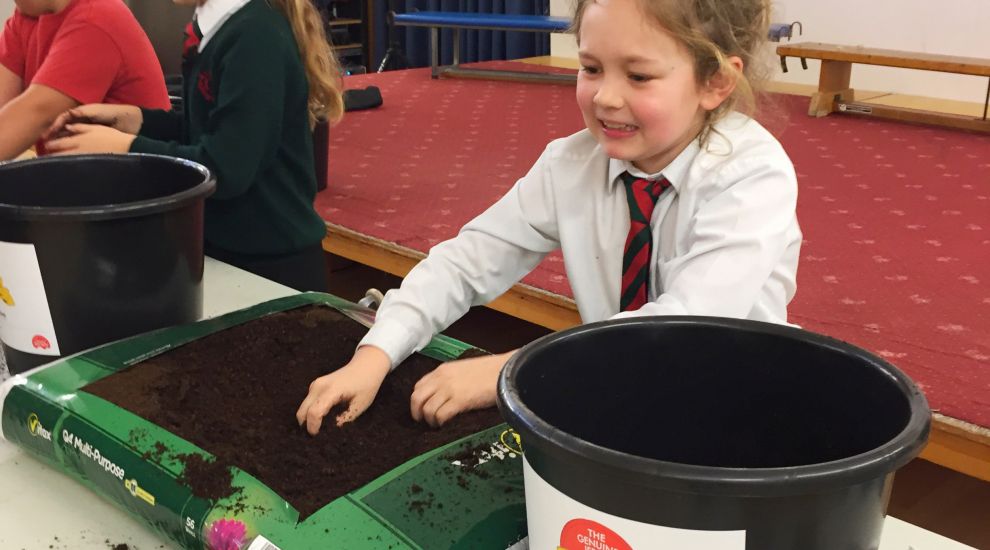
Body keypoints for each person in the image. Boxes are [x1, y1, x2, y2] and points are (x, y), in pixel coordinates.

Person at [296, 0, 801, 434]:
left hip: (727, 423)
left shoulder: (752, 176)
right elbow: (467, 261)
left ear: (715, 82)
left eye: (639, 75)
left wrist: (511, 370)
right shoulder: (571, 164)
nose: (605, 96)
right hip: (610, 391)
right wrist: (376, 353)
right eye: (591, 67)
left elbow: (682, 333)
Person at [44, 0, 344, 292]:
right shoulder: (216, 27)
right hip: (231, 256)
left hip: (274, 270)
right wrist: (136, 121)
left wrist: (128, 147)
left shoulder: (255, 35)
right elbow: (205, 131)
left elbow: (226, 169)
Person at [0, 0, 170, 160]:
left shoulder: (95, 18)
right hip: (84, 177)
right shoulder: (28, 14)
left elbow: (37, 115)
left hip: (138, 181)